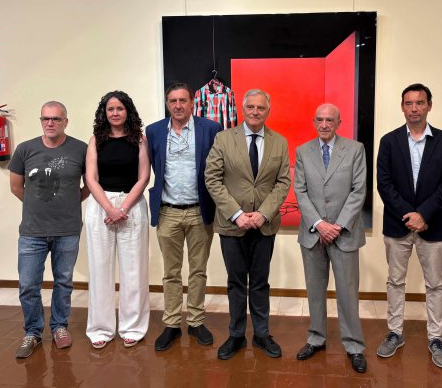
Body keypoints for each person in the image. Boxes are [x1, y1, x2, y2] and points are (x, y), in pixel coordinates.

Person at [205, 89, 291, 360]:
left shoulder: (279, 142)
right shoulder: (223, 138)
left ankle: (262, 334)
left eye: (260, 108)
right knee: (236, 282)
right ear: (243, 109)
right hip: (232, 225)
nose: (255, 111)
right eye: (251, 107)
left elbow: (283, 182)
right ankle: (236, 335)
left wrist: (263, 213)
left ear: (268, 111)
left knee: (260, 282)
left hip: (265, 225)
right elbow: (212, 178)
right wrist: (236, 213)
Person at [376, 83, 442, 369]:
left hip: (433, 226)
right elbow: (384, 183)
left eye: (419, 103)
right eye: (408, 103)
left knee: (435, 284)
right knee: (395, 281)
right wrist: (408, 214)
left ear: (429, 106)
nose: (414, 108)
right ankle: (395, 333)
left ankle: (435, 338)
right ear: (402, 107)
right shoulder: (389, 141)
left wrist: (423, 214)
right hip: (397, 225)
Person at [9, 101, 89, 359]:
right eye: (46, 118)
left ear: (66, 121)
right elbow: (16, 187)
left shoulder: (81, 149)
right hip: (32, 231)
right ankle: (32, 332)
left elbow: (90, 184)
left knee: (63, 282)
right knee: (28, 285)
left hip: (67, 229)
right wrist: (38, 205)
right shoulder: (25, 149)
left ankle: (59, 327)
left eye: (56, 118)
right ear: (41, 121)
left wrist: (69, 203)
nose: (50, 123)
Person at [146, 83, 222, 351]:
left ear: (192, 103)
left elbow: (218, 169)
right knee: (171, 272)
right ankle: (171, 324)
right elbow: (152, 166)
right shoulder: (154, 131)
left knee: (198, 270)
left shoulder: (211, 129)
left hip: (200, 211)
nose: (177, 106)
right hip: (167, 211)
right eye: (172, 101)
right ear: (167, 104)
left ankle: (196, 321)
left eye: (182, 100)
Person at [293, 103, 368, 373]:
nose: (324, 124)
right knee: (314, 291)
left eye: (330, 120)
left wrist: (337, 226)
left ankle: (354, 345)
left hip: (344, 233)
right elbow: (300, 191)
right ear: (314, 122)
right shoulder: (303, 151)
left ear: (339, 123)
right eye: (320, 120)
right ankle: (316, 338)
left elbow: (359, 190)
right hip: (313, 234)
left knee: (348, 293)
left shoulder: (355, 149)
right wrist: (319, 224)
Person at [84, 91, 151, 349]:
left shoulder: (139, 139)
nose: (115, 113)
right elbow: (91, 178)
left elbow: (143, 177)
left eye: (119, 108)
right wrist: (109, 208)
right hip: (100, 205)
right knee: (99, 269)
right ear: (104, 112)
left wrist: (122, 208)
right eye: (110, 109)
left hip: (131, 205)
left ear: (128, 111)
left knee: (134, 270)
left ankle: (133, 327)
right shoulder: (96, 140)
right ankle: (100, 328)